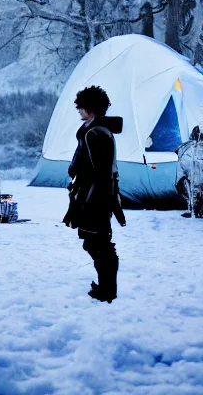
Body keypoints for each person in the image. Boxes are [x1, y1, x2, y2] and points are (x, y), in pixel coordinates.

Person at [63, 86, 124, 303]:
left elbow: (102, 172)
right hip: (91, 194)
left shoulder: (96, 133)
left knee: (98, 242)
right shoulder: (92, 131)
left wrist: (93, 198)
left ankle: (108, 290)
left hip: (96, 196)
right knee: (95, 242)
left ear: (93, 109)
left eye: (82, 106)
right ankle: (105, 287)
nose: (79, 110)